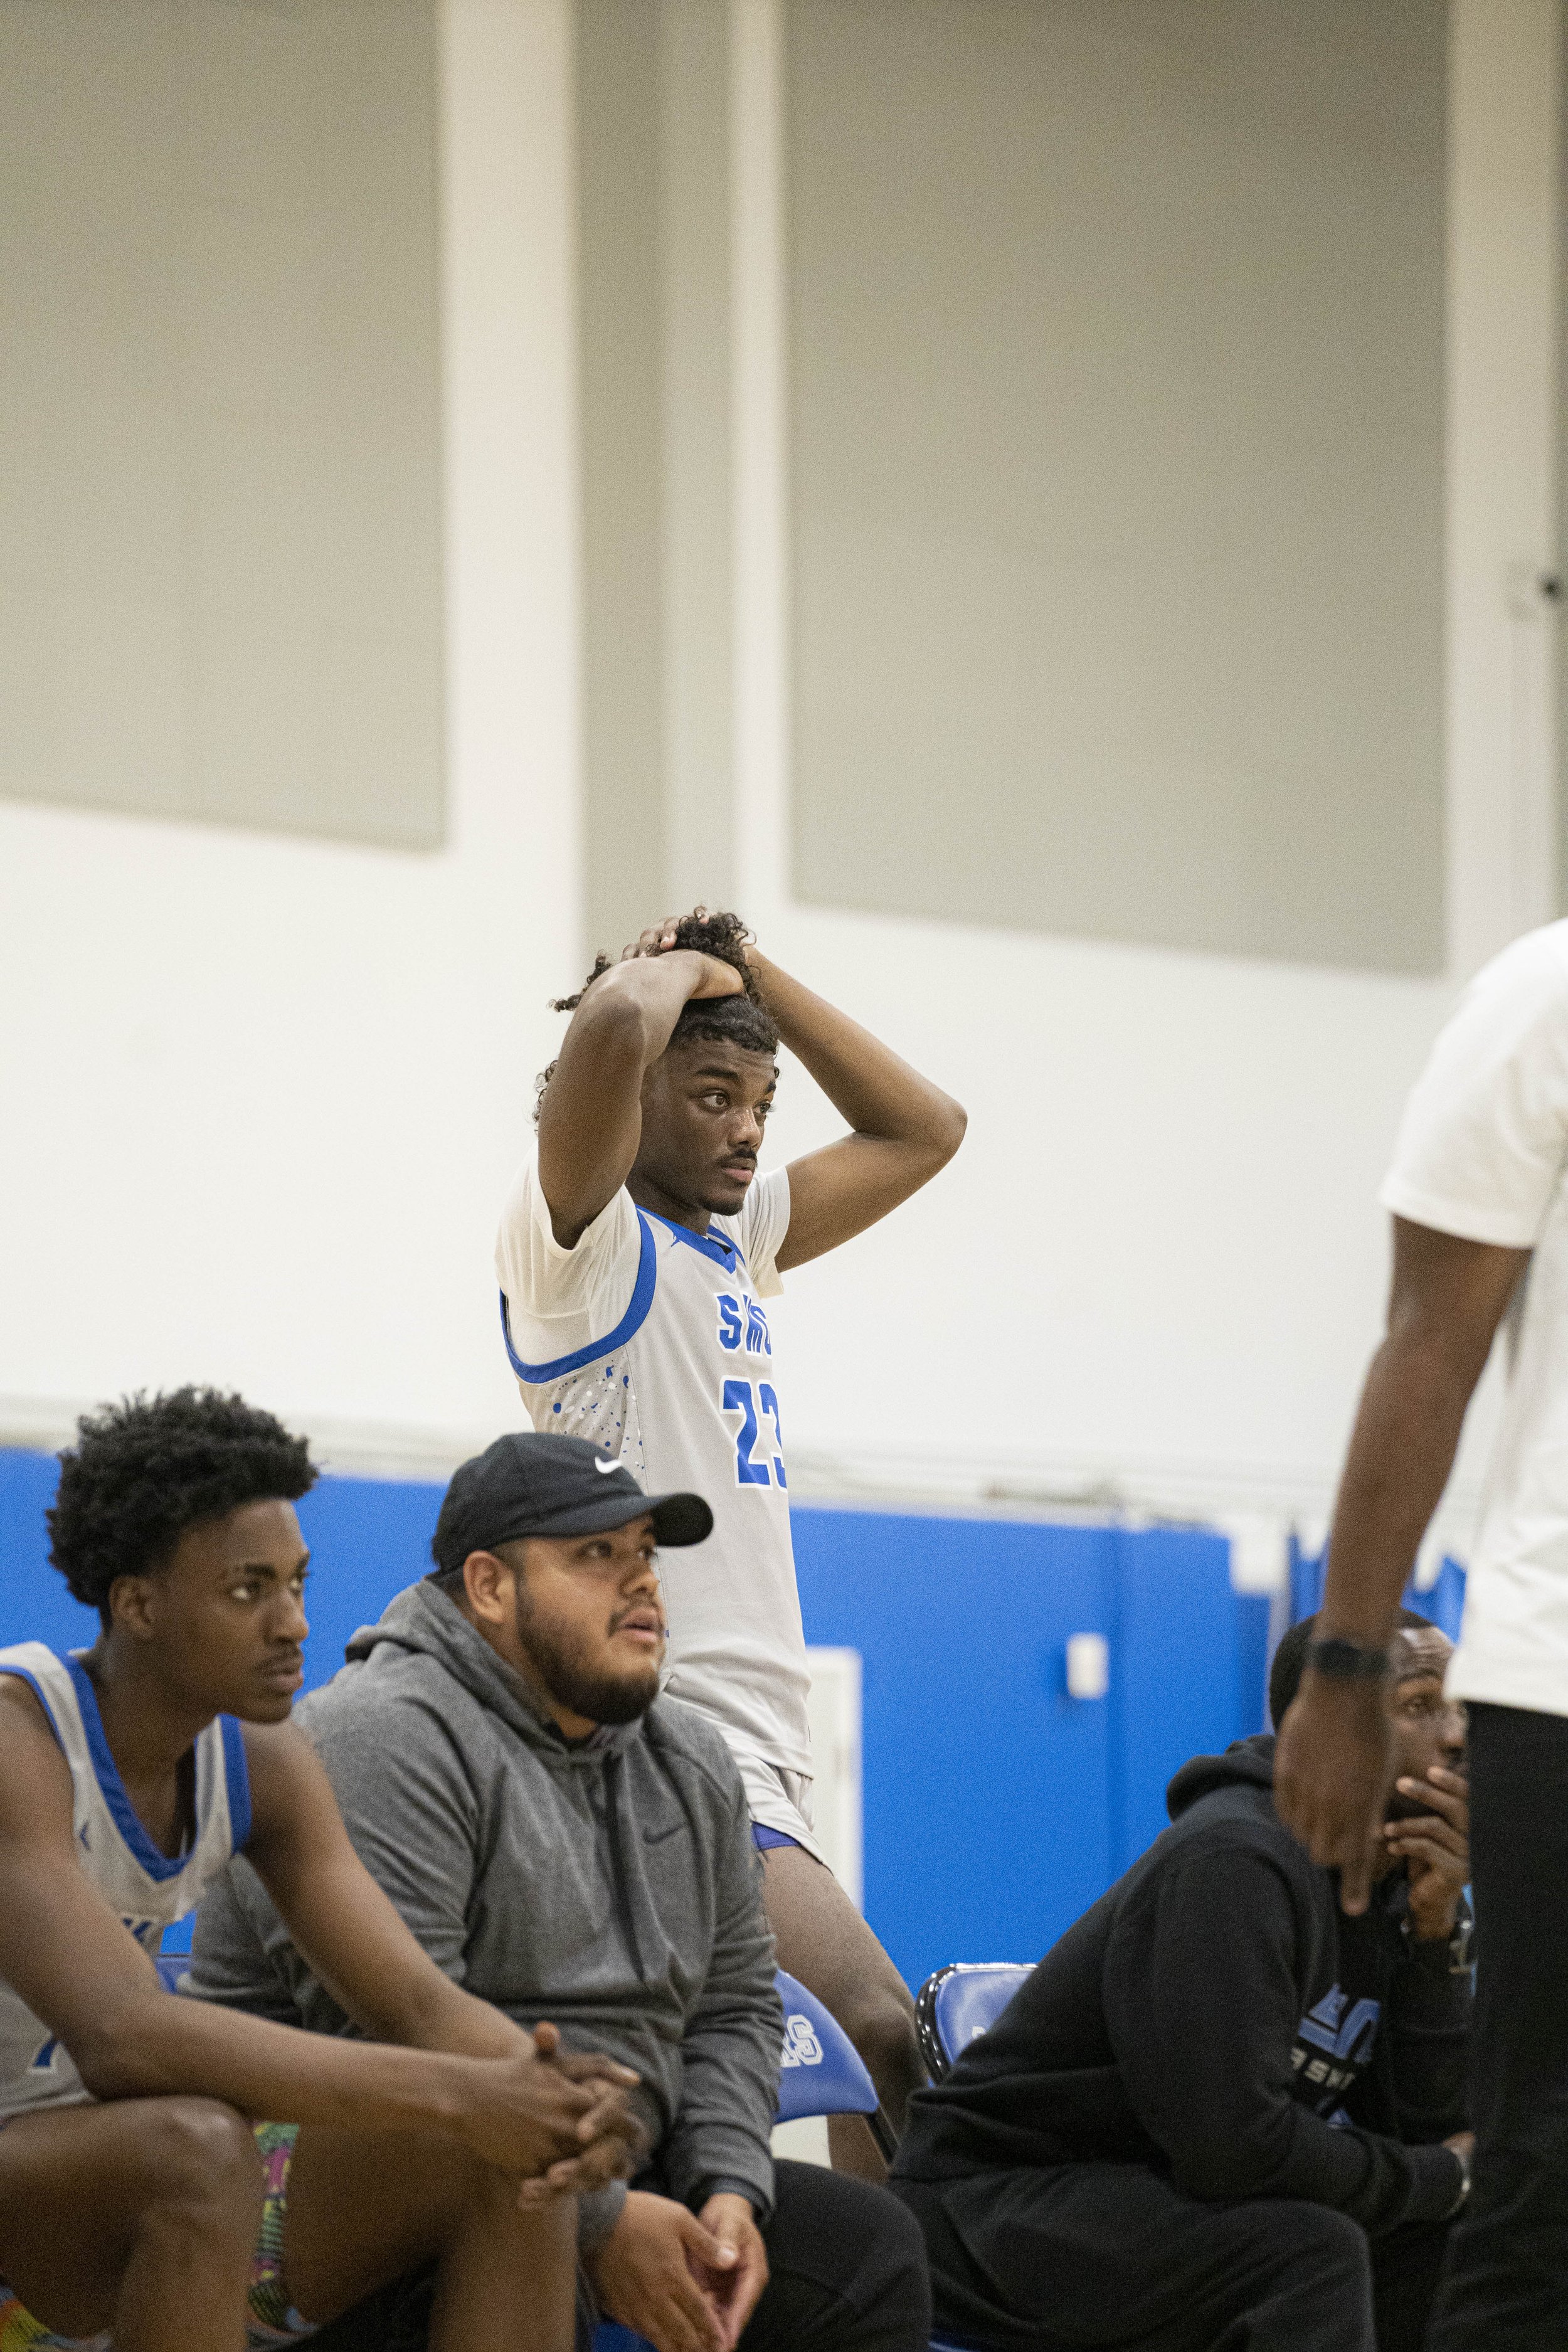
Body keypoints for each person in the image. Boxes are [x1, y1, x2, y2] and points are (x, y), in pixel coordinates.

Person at [188, 1429, 933, 2352]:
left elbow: (735, 2007)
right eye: (596, 1554)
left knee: (868, 2255)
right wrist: (606, 2223)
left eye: (645, 1554)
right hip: (339, 2180)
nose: (643, 1583)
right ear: (491, 1587)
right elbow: (404, 2051)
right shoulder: (379, 1735)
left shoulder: (692, 1759)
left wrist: (728, 2190)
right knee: (512, 2188)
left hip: (596, 2162)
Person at [0, 1391, 642, 2352]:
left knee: (509, 2154)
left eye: (297, 1583)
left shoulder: (264, 1760)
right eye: (248, 1590)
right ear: (137, 1603)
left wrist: (555, 2099)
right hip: (77, 2159)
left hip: (90, 2159)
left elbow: (419, 2007)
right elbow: (123, 2036)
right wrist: (463, 2093)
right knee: (199, 2151)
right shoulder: (19, 1739)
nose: (293, 1623)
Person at [495, 907, 966, 2168]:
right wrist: (679, 966)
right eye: (711, 1094)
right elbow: (605, 1025)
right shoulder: (580, 1251)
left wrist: (755, 980)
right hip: (669, 1738)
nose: (750, 1127)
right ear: (629, 1099)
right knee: (881, 2043)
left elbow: (927, 1129)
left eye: (761, 1100)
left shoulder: (734, 1241)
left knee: (746, 2100)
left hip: (765, 1748)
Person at [890, 1614, 1473, 2352]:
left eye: (1463, 1707)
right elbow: (1235, 2150)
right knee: (1309, 2254)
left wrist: (1434, 1934)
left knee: (1465, 2234)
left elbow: (1432, 2129)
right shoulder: (1233, 1864)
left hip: (1162, 2200)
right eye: (1420, 1705)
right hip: (990, 2210)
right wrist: (1432, 2176)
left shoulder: (1392, 1883)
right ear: (1321, 1733)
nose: (1456, 1736)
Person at [1271, 919, 1568, 2348]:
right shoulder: (1543, 996)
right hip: (1558, 1673)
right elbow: (1428, 1344)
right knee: (1550, 2177)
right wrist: (1346, 1663)